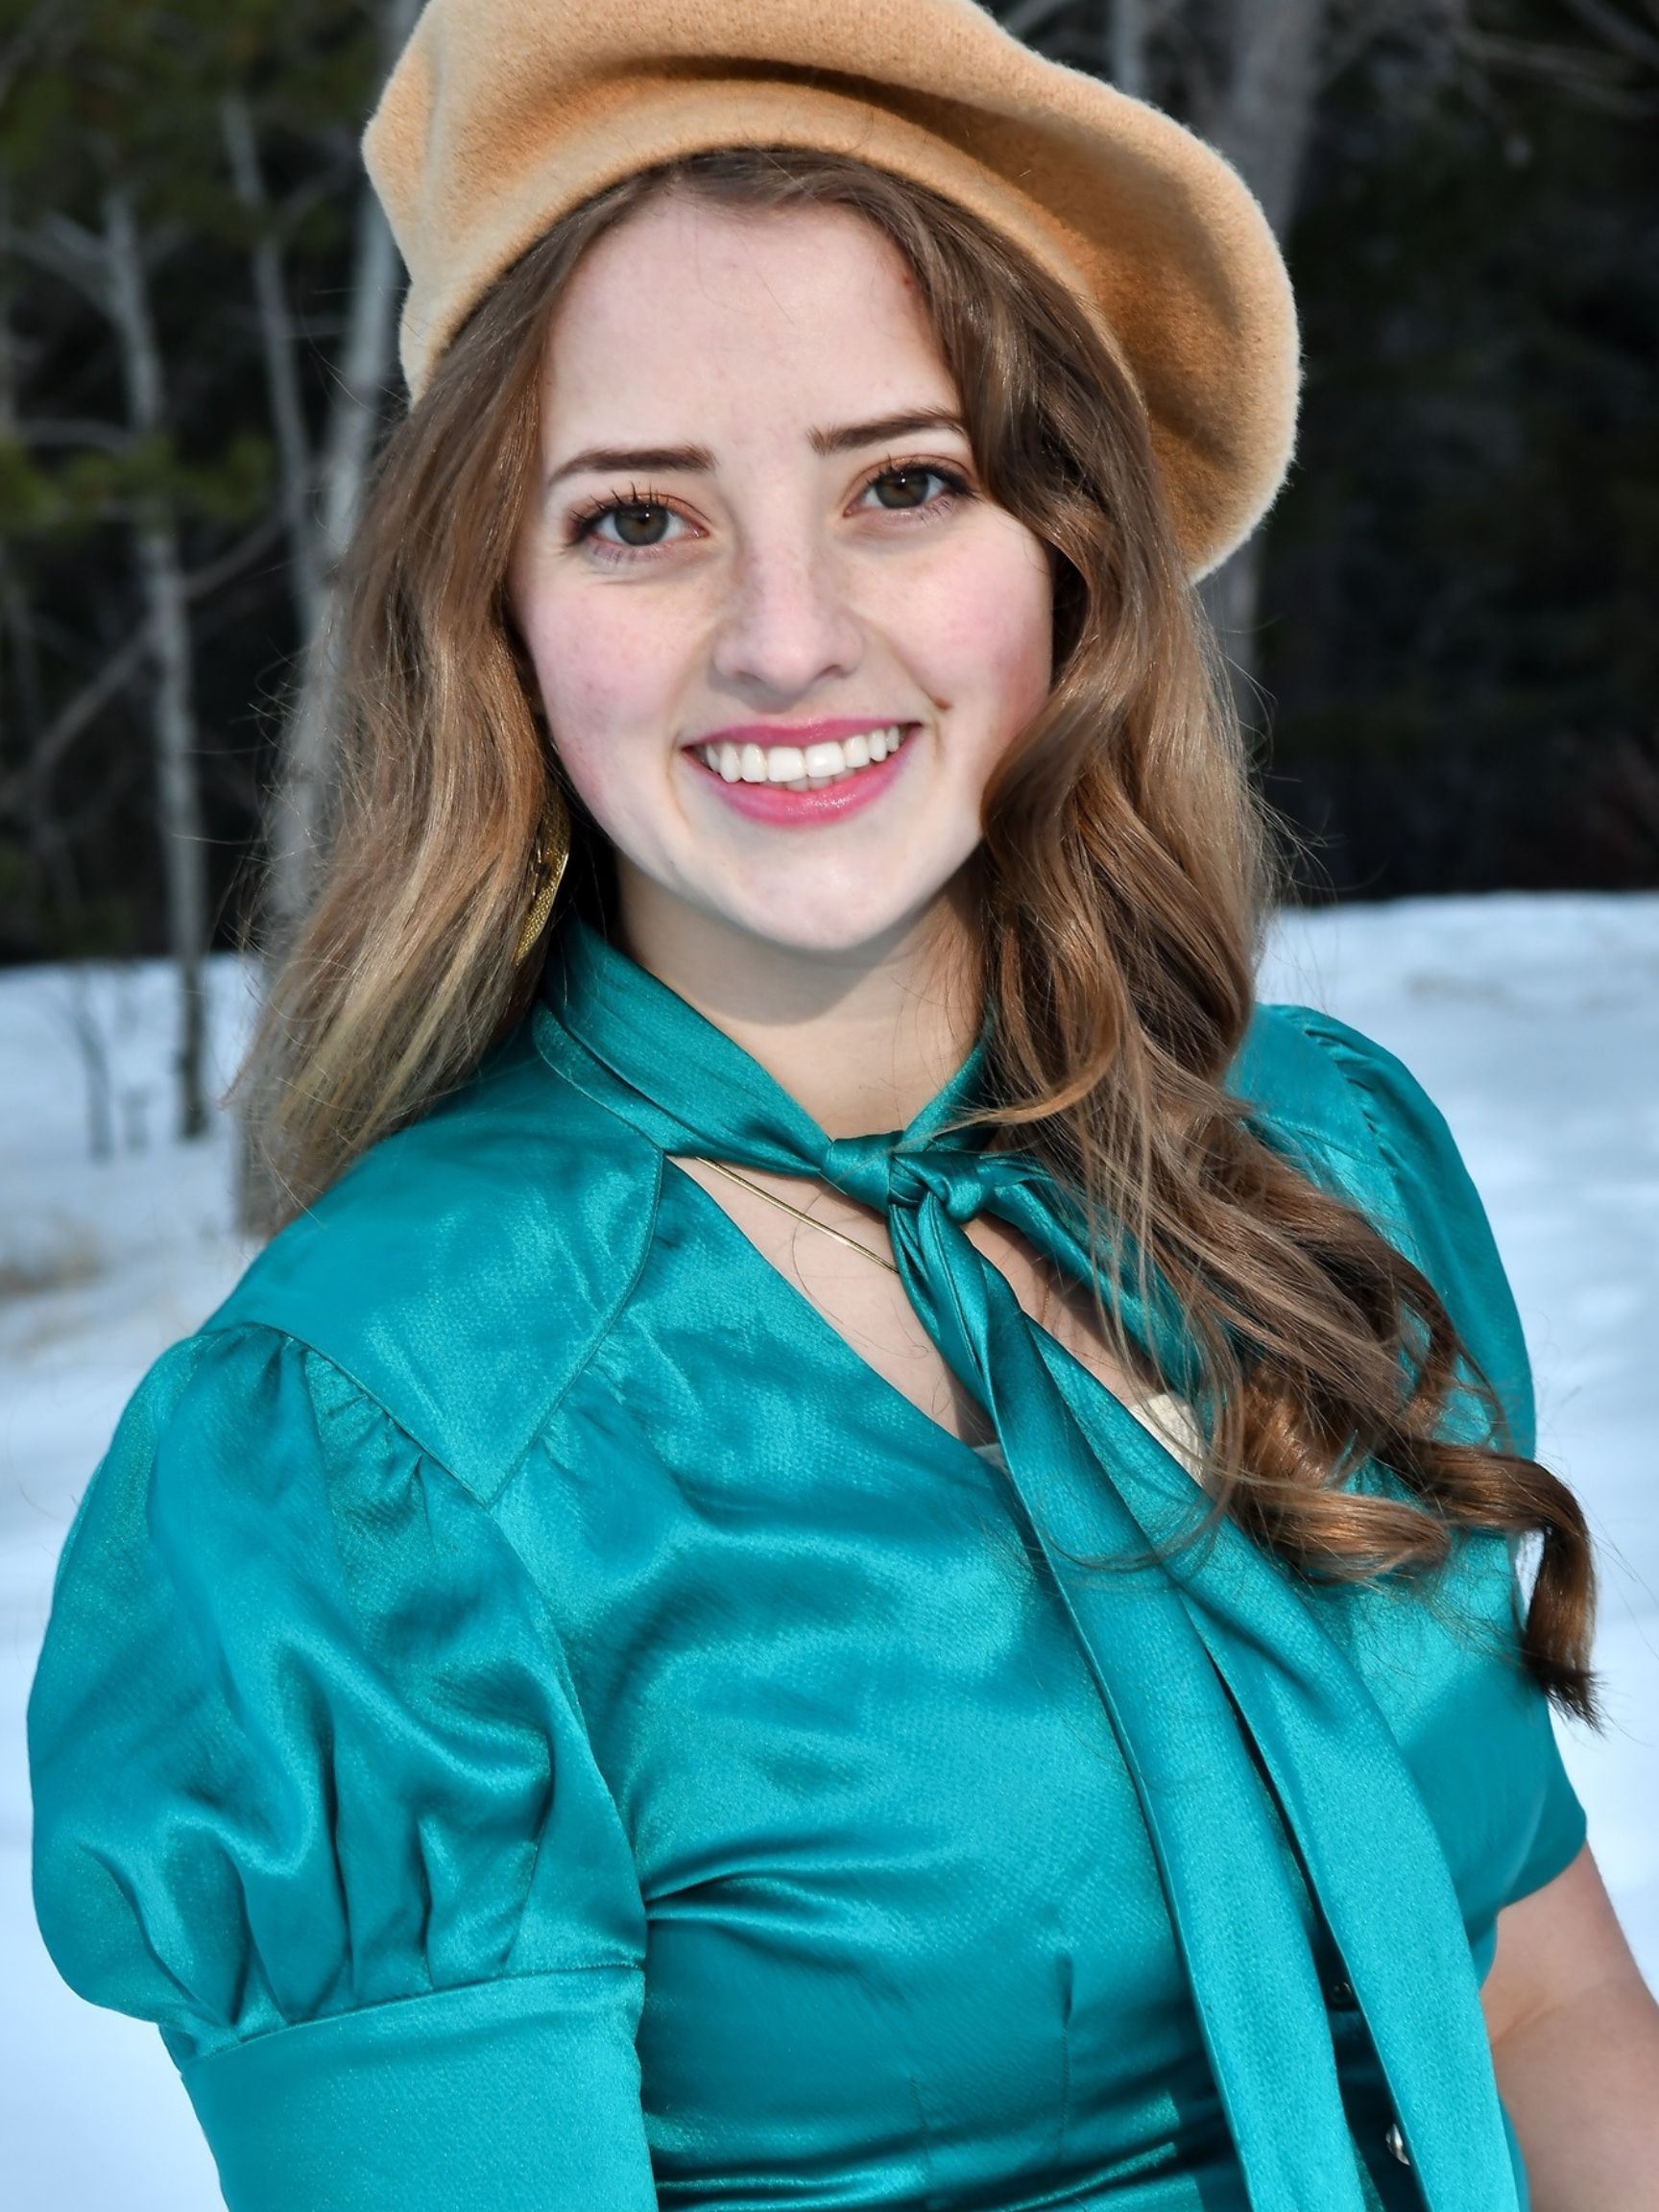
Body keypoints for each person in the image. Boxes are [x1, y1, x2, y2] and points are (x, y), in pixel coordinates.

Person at [27, 2, 1659, 2207]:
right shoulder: (371, 1453)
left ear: (1067, 555)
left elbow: (1541, 2004)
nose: (789, 636)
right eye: (638, 521)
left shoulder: (1317, 1164)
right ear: (496, 615)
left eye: (906, 483)